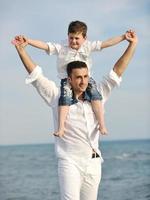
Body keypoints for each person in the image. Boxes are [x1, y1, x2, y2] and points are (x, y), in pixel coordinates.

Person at [13, 30, 138, 200]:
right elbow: (36, 76)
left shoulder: (98, 95)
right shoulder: (57, 96)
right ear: (69, 79)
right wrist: (21, 50)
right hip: (69, 162)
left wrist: (132, 44)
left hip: (94, 163)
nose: (83, 81)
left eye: (86, 76)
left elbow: (117, 71)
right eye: (78, 77)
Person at [12, 20, 128, 137]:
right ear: (68, 36)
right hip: (66, 80)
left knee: (96, 97)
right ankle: (61, 128)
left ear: (84, 38)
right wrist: (29, 41)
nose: (73, 41)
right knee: (64, 100)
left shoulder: (88, 46)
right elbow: (45, 46)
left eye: (77, 38)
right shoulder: (62, 47)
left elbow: (106, 43)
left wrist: (123, 37)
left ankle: (102, 124)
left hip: (86, 79)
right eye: (71, 38)